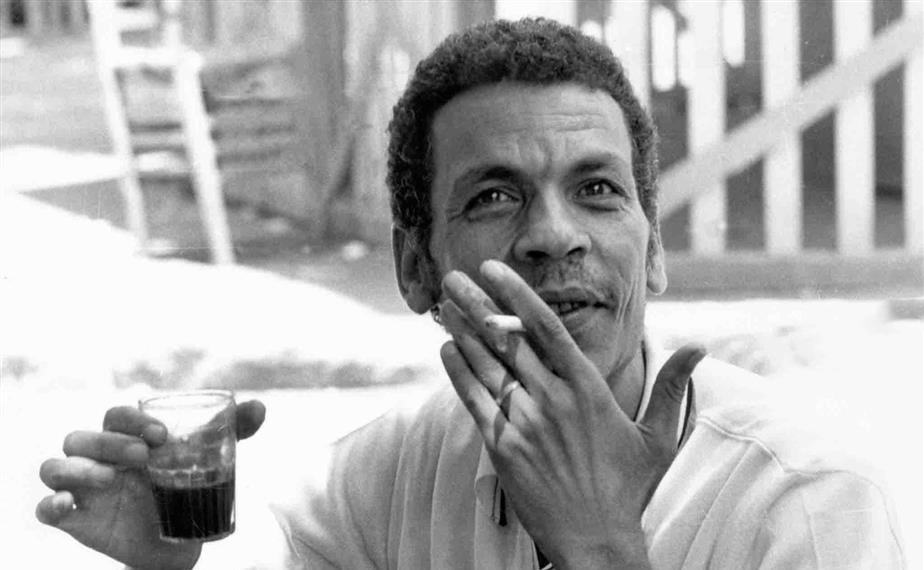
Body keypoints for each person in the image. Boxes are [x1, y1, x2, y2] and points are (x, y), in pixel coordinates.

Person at [36, 18, 904, 569]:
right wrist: (173, 557)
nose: (554, 235)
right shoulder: (382, 481)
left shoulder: (810, 504)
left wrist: (601, 549)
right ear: (417, 267)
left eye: (598, 190)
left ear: (653, 253)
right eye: (493, 197)